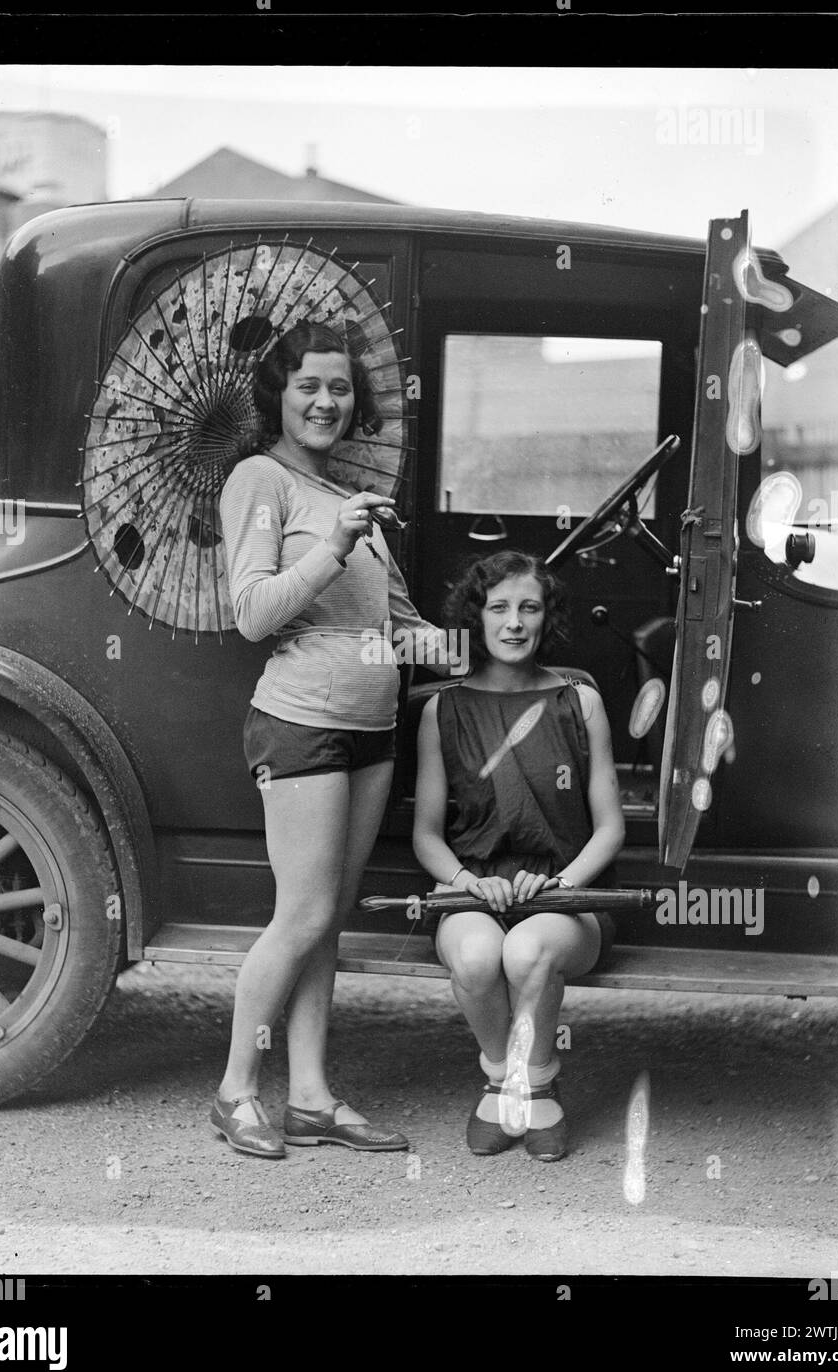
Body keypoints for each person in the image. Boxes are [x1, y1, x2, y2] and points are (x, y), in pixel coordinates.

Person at [214, 320, 453, 1159]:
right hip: (301, 723)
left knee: (328, 921)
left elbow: (396, 625)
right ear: (277, 394)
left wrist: (486, 643)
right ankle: (237, 1089)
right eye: (308, 385)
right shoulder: (259, 480)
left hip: (371, 730)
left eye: (341, 387)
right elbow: (250, 614)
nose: (325, 400)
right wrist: (334, 547)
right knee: (304, 910)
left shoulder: (350, 497)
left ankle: (310, 1096)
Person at [412, 550, 625, 1161]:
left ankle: (534, 1084)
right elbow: (427, 834)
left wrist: (555, 884)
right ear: (475, 617)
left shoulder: (579, 701)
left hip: (567, 898)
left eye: (528, 607)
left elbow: (608, 830)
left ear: (545, 617)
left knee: (526, 949)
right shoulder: (442, 710)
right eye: (498, 607)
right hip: (474, 891)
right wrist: (469, 885)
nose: (513, 622)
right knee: (479, 955)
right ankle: (502, 1073)